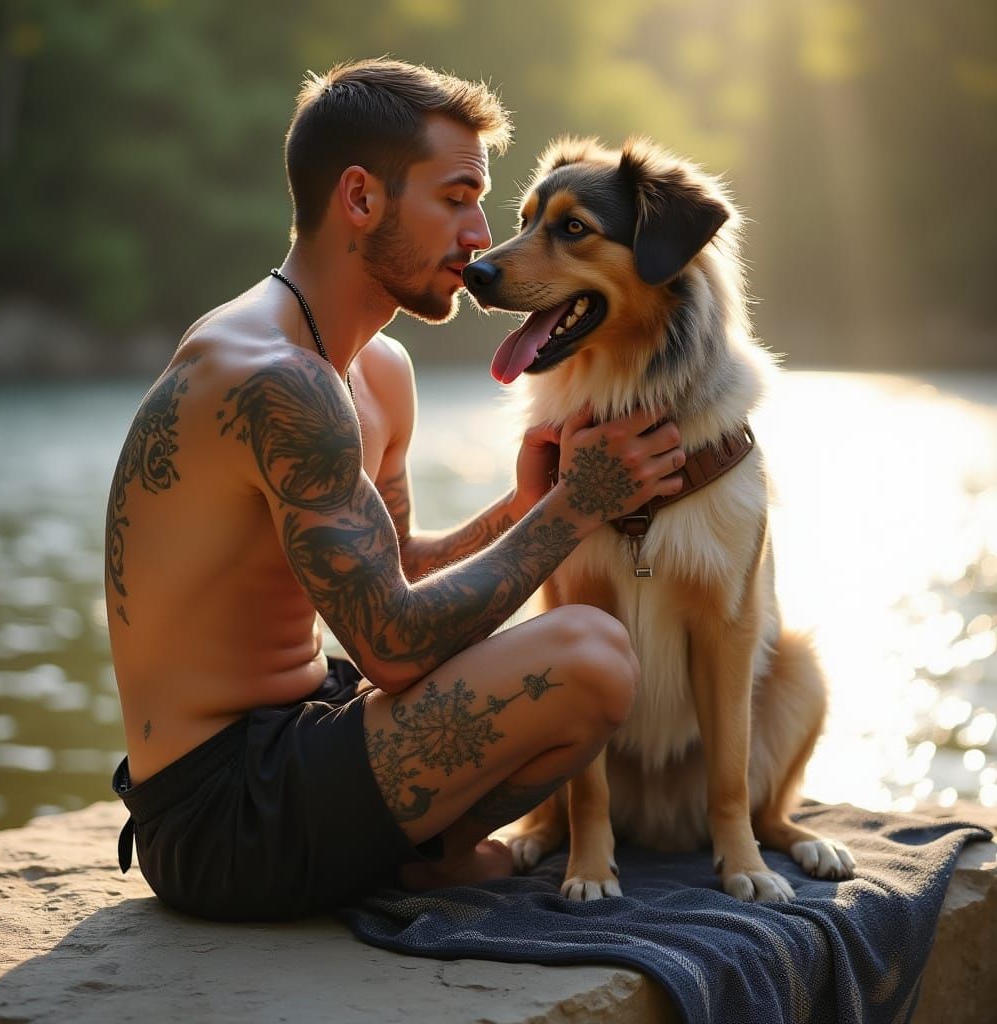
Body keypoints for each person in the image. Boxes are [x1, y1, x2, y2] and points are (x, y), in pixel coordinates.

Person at [105, 58, 686, 921]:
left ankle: (429, 855)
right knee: (592, 657)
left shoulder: (378, 369)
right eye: (456, 198)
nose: (479, 236)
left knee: (580, 651)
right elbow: (395, 648)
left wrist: (519, 510)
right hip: (221, 816)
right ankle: (432, 854)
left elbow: (395, 573)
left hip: (308, 725)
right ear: (361, 199)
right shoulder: (268, 375)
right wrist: (576, 509)